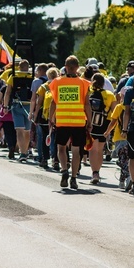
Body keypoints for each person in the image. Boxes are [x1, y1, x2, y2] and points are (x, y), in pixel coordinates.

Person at [49, 55, 92, 190]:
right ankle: (73, 178)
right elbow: (87, 104)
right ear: (78, 67)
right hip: (78, 122)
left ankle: (64, 170)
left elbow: (53, 102)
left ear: (65, 67)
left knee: (61, 148)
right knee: (76, 151)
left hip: (62, 121)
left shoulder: (56, 82)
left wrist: (51, 119)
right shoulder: (84, 83)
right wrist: (89, 121)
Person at [88, 73, 117, 184]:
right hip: (104, 124)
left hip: (91, 123)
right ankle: (97, 172)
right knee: (100, 150)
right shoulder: (110, 95)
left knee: (92, 149)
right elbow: (114, 112)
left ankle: (94, 172)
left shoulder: (89, 92)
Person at [5, 60, 35, 162]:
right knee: (27, 131)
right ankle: (25, 152)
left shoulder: (13, 76)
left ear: (19, 67)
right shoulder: (32, 77)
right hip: (29, 106)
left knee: (19, 130)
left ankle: (22, 153)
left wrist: (5, 106)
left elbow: (8, 92)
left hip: (17, 105)